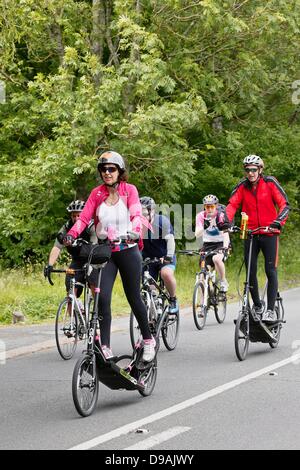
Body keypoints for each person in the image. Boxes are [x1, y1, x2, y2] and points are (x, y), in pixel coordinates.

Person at [63, 151, 156, 362]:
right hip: (107, 252)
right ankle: (105, 346)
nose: (107, 172)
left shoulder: (129, 190)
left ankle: (149, 340)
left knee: (133, 297)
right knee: (102, 298)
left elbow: (136, 213)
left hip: (128, 249)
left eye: (111, 169)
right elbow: (84, 218)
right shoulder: (97, 194)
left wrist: (134, 229)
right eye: (104, 169)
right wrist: (71, 234)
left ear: (119, 171)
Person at [226, 154, 289, 323]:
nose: (251, 173)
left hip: (270, 233)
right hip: (251, 233)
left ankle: (270, 310)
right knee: (250, 272)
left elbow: (284, 204)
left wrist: (277, 222)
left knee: (270, 270)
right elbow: (232, 206)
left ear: (260, 170)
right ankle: (258, 306)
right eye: (247, 170)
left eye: (254, 169)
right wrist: (227, 222)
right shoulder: (242, 187)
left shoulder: (269, 183)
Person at [44, 200, 97, 301]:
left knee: (93, 282)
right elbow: (57, 246)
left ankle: (98, 309)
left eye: (79, 215)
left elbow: (94, 246)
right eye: (73, 215)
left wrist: (89, 264)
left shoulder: (91, 226)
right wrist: (50, 265)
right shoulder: (67, 226)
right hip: (77, 260)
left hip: (92, 259)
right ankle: (74, 310)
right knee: (70, 291)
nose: (76, 218)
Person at [140, 196, 179, 315]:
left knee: (166, 274)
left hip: (164, 257)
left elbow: (171, 240)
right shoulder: (136, 224)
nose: (142, 216)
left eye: (145, 213)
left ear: (152, 211)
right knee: (148, 287)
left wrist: (168, 256)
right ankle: (153, 313)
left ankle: (173, 299)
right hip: (147, 259)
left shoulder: (162, 221)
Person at [195, 195, 230, 292]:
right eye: (207, 207)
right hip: (207, 245)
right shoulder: (201, 216)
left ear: (216, 206)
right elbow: (197, 234)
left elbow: (226, 233)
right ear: (204, 207)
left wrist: (225, 247)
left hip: (221, 243)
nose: (209, 209)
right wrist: (204, 227)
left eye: (212, 206)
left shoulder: (221, 215)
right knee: (202, 276)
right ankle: (203, 303)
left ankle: (223, 281)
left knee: (217, 259)